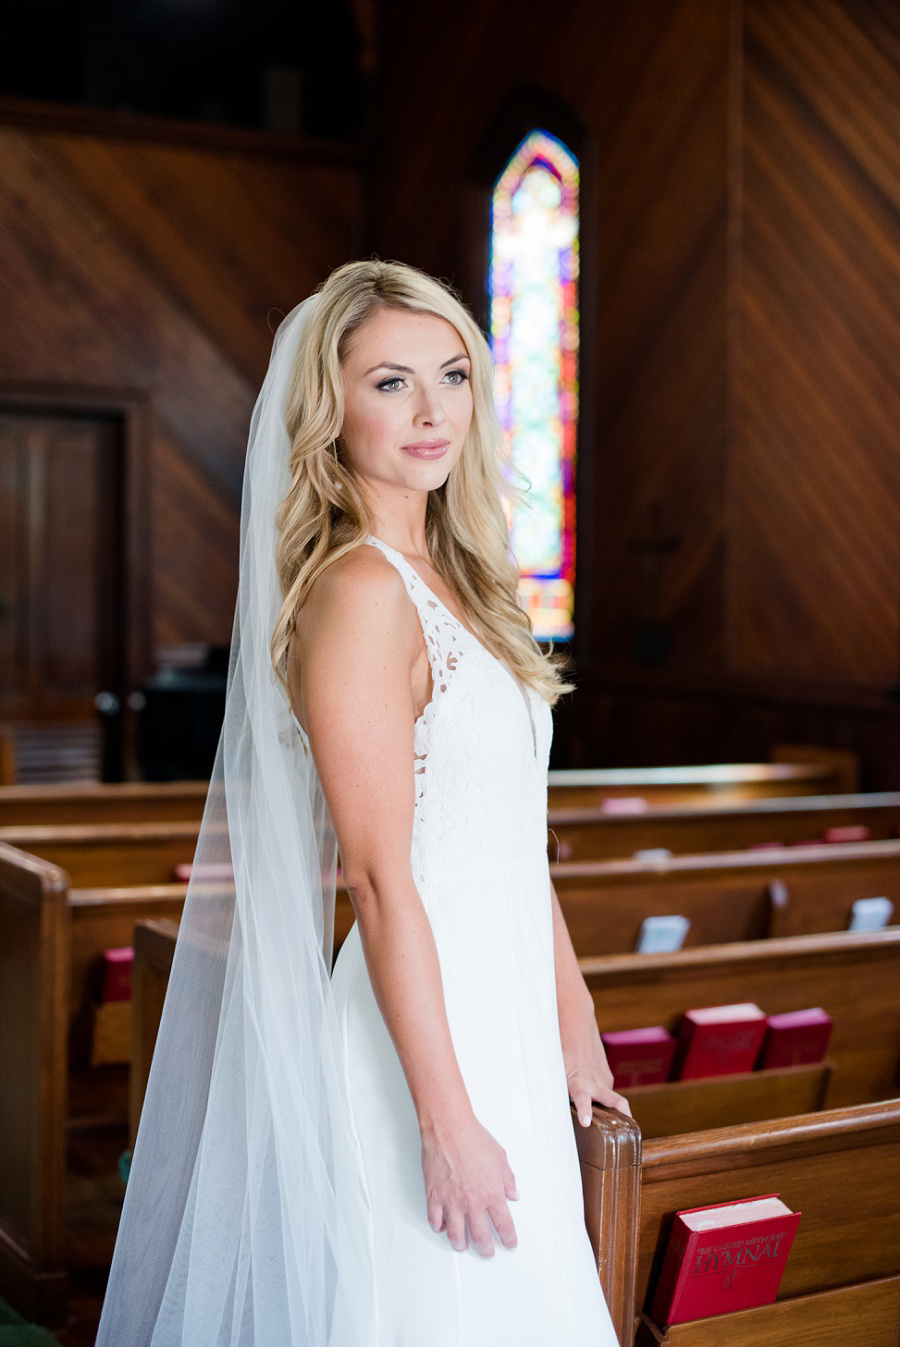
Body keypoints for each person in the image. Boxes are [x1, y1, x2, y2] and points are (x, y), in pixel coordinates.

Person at [95, 258, 628, 1346]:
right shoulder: (358, 590)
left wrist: (571, 1016)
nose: (434, 410)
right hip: (419, 1029)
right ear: (329, 410)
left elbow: (510, 839)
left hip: (507, 1008)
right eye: (390, 383)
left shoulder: (470, 584)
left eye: (452, 375)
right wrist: (442, 1119)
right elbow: (384, 884)